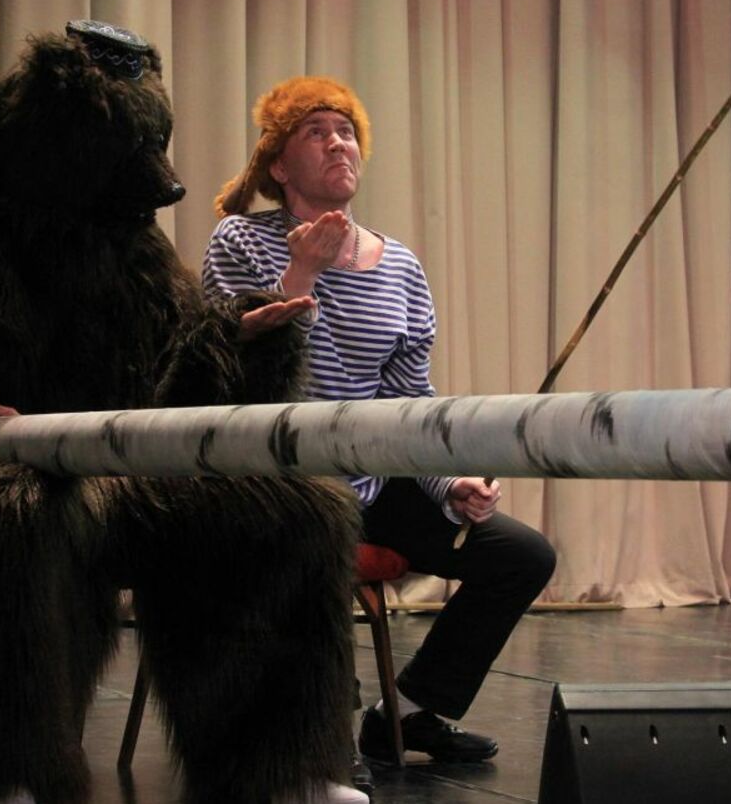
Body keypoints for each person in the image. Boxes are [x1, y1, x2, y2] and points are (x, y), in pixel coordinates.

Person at [202, 76, 557, 788]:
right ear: (279, 165)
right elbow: (230, 366)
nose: (339, 143)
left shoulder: (399, 266)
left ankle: (406, 713)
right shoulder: (240, 240)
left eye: (346, 131)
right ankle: (315, 741)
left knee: (521, 556)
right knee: (316, 538)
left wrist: (448, 480)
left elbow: (408, 398)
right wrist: (303, 270)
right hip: (279, 481)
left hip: (369, 478)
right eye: (316, 132)